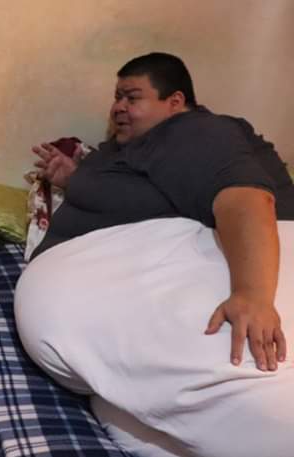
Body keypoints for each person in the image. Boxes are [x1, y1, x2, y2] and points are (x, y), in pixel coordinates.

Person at [29, 52, 294, 373]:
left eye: (132, 98)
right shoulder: (137, 145)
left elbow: (247, 199)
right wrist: (74, 179)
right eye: (117, 97)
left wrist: (252, 297)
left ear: (175, 102)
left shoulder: (195, 131)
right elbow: (132, 197)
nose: (118, 107)